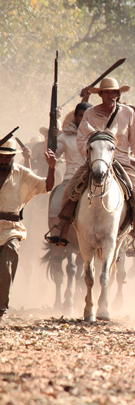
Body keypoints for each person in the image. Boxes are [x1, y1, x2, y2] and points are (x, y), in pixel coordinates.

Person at [50, 77, 135, 254]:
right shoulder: (90, 114)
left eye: (114, 92)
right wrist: (91, 153)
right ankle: (63, 231)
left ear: (118, 94)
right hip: (95, 162)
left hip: (121, 161)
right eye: (107, 92)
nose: (111, 96)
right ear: (101, 94)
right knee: (69, 191)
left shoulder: (127, 113)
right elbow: (81, 139)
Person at [0, 136, 56, 319]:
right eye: (1, 156)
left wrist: (52, 167)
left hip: (11, 228)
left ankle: (1, 308)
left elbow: (46, 186)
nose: (4, 160)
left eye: (8, 157)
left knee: (7, 262)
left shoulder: (21, 173)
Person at [45, 102, 93, 242]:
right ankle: (56, 235)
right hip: (70, 178)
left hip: (93, 179)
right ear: (75, 116)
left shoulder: (97, 137)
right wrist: (51, 140)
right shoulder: (65, 137)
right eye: (81, 116)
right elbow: (55, 154)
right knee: (56, 203)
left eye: (87, 117)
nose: (84, 120)